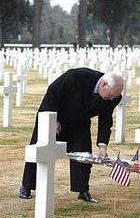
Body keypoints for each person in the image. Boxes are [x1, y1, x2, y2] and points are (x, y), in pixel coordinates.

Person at [19, 68, 124, 203]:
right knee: (39, 151)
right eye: (110, 95)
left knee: (84, 156)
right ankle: (27, 186)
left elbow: (105, 119)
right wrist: (54, 120)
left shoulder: (114, 96)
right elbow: (53, 92)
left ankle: (83, 190)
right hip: (54, 117)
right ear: (104, 84)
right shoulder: (77, 76)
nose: (112, 99)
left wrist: (102, 145)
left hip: (79, 123)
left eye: (114, 97)